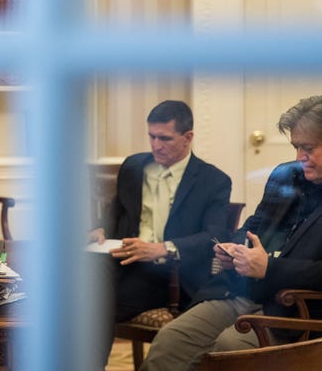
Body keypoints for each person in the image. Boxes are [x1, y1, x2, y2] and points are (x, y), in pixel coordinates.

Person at [140, 95, 322, 371]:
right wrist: (234, 248)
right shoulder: (288, 175)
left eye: (308, 148)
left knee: (230, 349)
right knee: (170, 342)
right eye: (297, 147)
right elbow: (256, 226)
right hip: (246, 294)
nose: (300, 158)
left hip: (305, 315)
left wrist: (269, 268)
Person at [88, 100, 232, 367]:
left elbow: (214, 237)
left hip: (169, 275)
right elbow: (117, 212)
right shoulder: (133, 166)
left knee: (91, 302)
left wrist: (162, 248)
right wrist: (100, 229)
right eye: (151, 136)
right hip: (121, 261)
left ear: (188, 137)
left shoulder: (214, 181)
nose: (156, 145)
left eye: (165, 138)